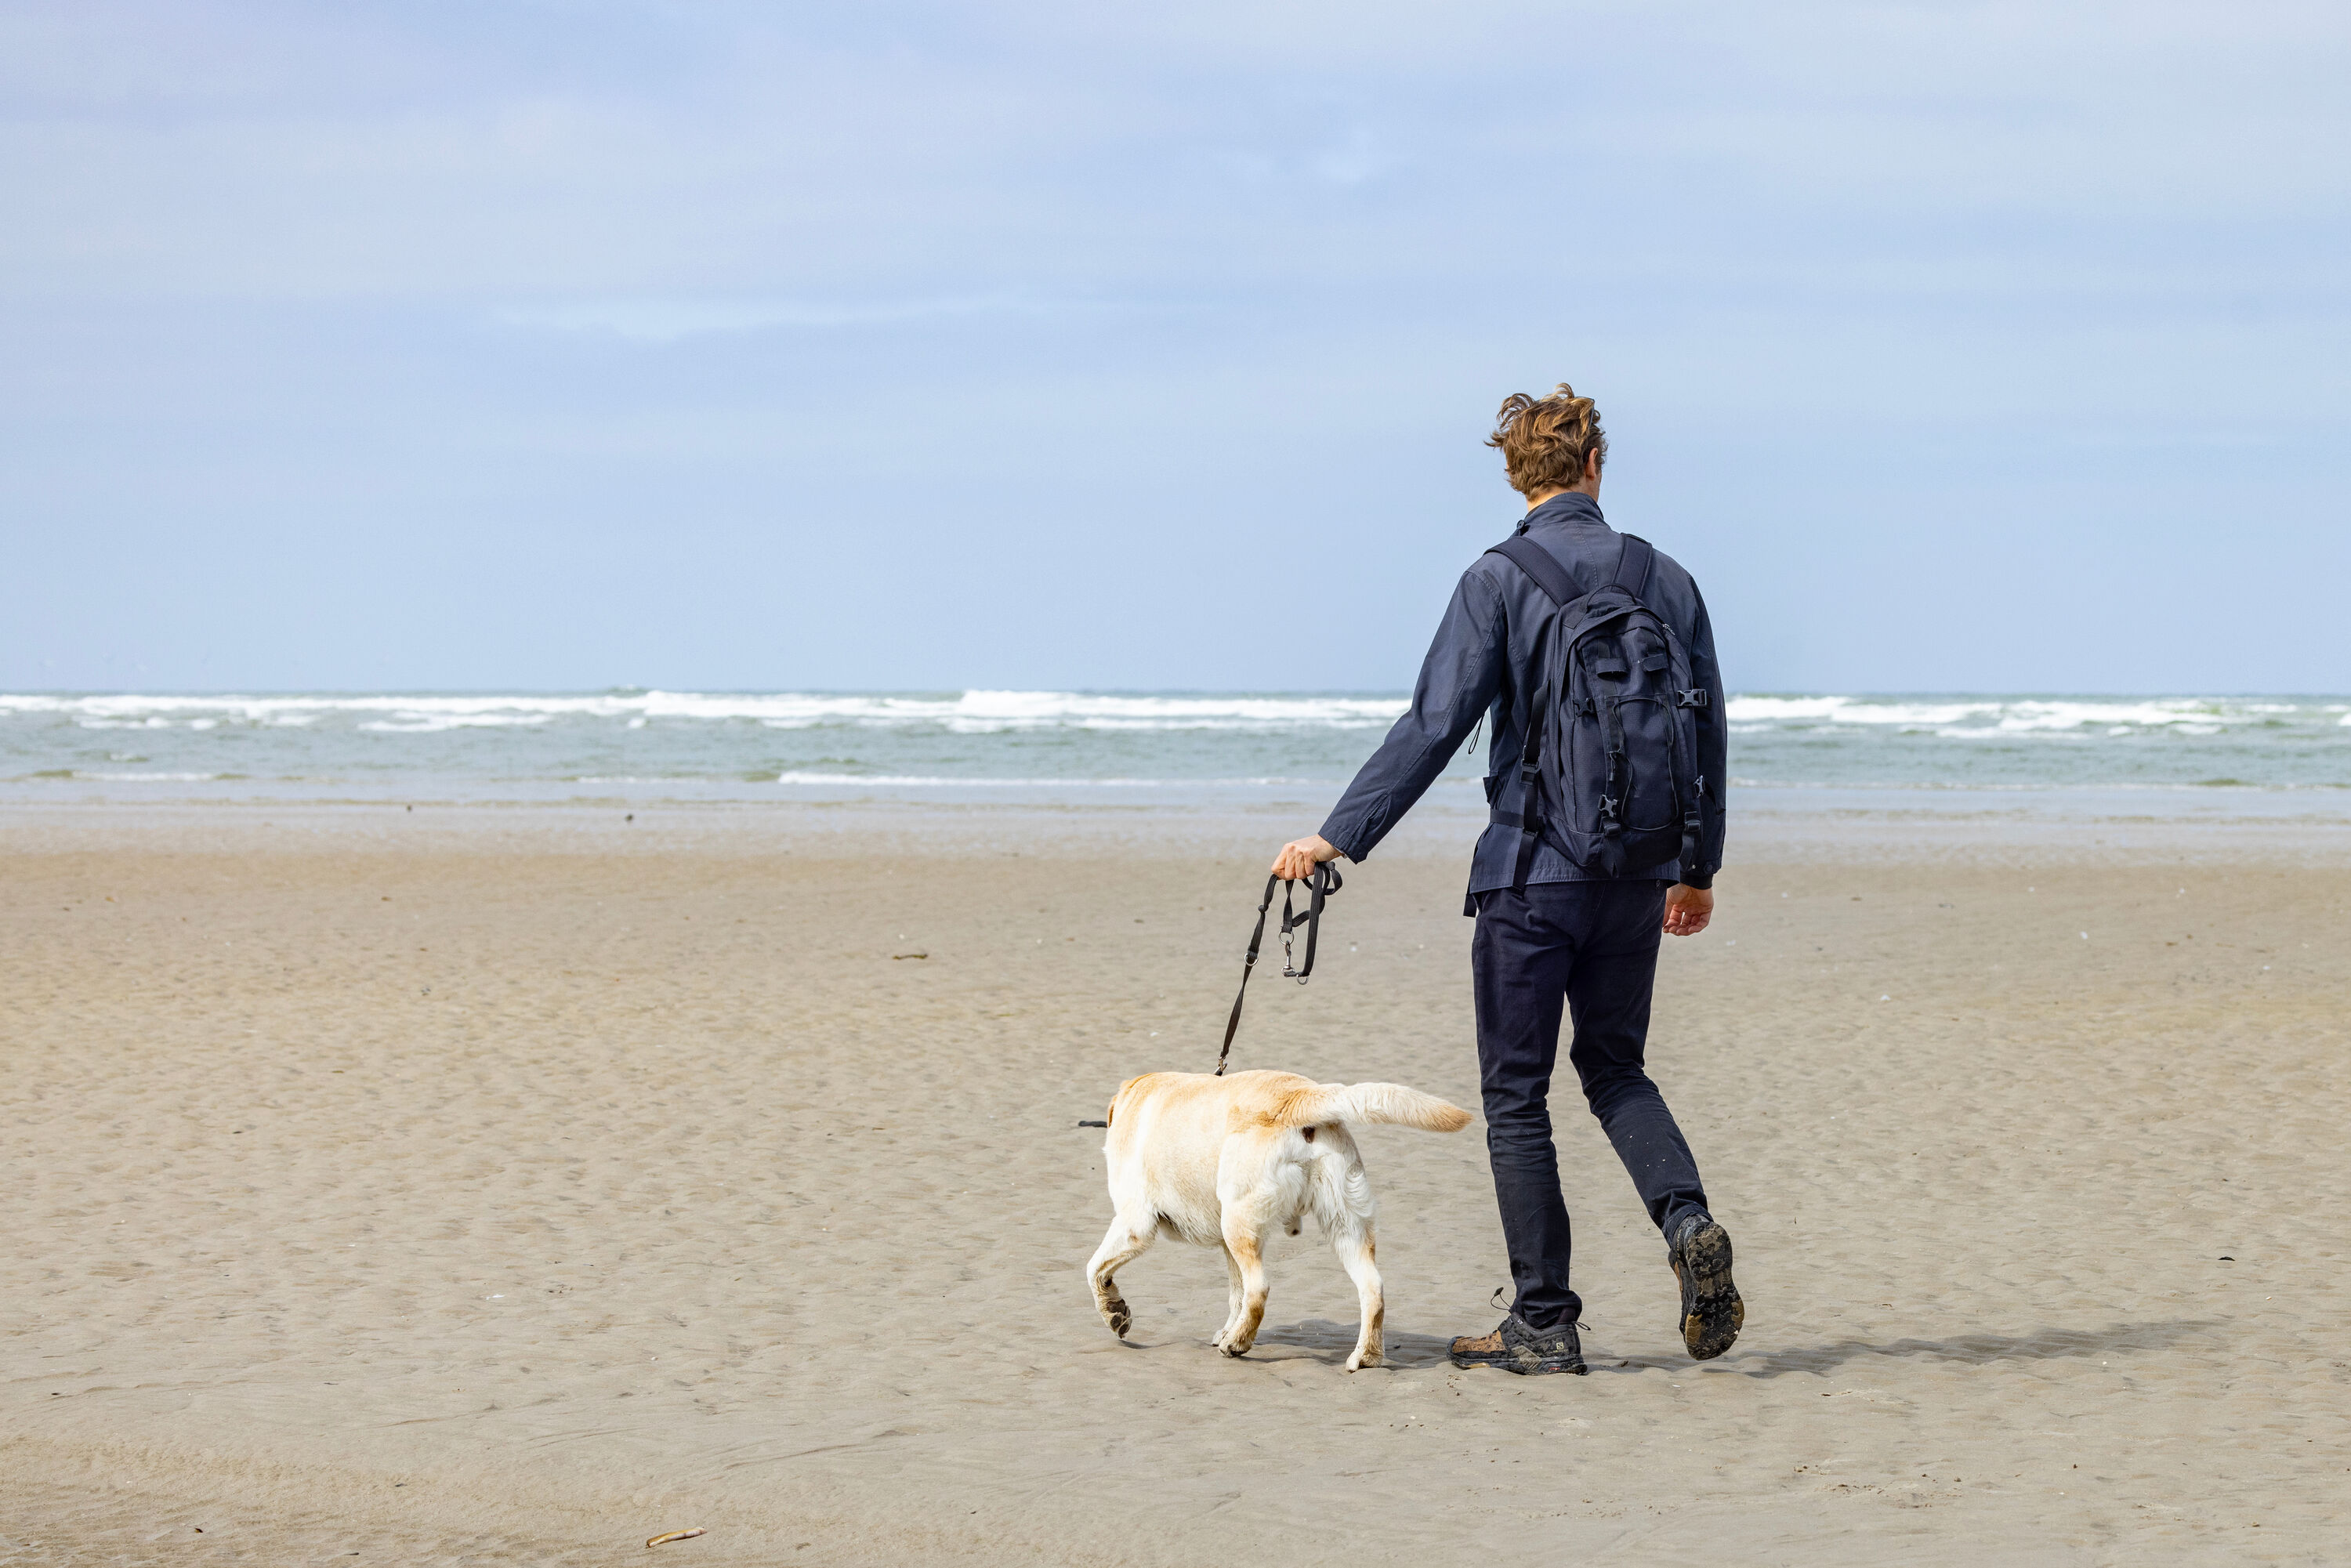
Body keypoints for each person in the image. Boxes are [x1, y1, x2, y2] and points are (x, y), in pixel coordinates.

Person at [1270, 383, 1740, 1375]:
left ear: (1516, 473)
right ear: (1596, 467)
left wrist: (1337, 838)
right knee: (1615, 1069)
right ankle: (1686, 1217)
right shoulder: (1671, 581)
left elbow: (1434, 726)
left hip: (1530, 878)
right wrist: (1695, 869)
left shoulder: (1498, 578)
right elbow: (1704, 731)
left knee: (1516, 1096)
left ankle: (1544, 1320)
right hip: (1637, 877)